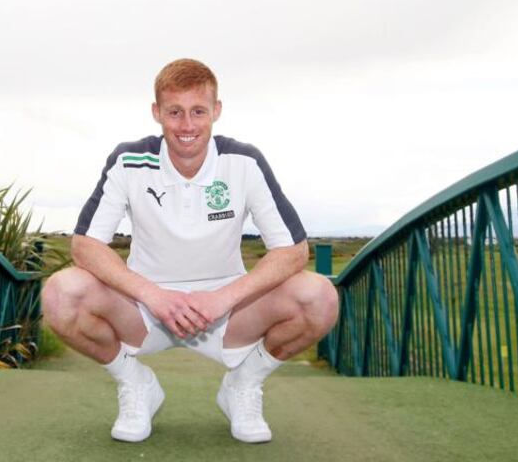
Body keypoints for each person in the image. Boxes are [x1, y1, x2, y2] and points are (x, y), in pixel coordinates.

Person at [41, 58, 339, 443]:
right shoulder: (128, 160)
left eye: (198, 111)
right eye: (175, 112)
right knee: (61, 294)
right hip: (145, 309)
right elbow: (84, 245)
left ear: (216, 110)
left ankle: (244, 385)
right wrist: (153, 295)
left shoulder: (244, 162)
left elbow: (293, 252)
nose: (187, 125)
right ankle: (135, 384)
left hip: (227, 313)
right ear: (156, 113)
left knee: (319, 298)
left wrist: (222, 299)